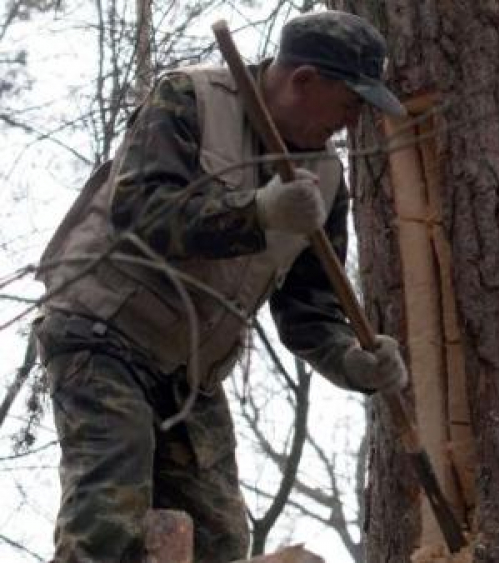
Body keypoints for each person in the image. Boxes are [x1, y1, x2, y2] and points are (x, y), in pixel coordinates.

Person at [33, 10, 408, 563]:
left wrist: (351, 362)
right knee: (109, 521)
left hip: (189, 373)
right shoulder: (189, 99)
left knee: (221, 540)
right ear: (305, 80)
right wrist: (256, 213)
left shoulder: (326, 182)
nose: (351, 125)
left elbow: (309, 311)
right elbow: (140, 214)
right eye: (350, 104)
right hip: (103, 332)